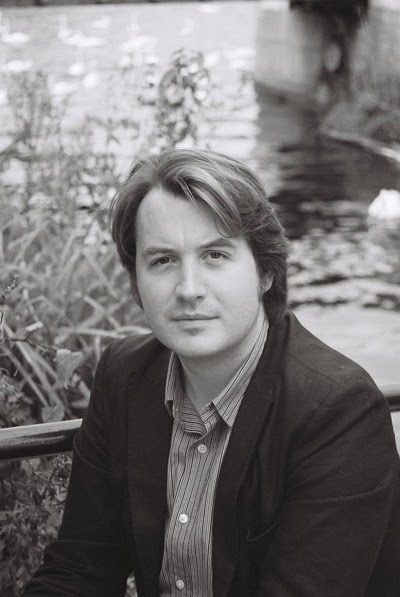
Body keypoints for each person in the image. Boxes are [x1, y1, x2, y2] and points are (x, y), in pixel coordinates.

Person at [24, 149, 400, 596]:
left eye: (215, 255)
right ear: (136, 281)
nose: (189, 290)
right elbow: (80, 568)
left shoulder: (338, 411)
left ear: (265, 272)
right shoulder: (124, 375)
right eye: (162, 260)